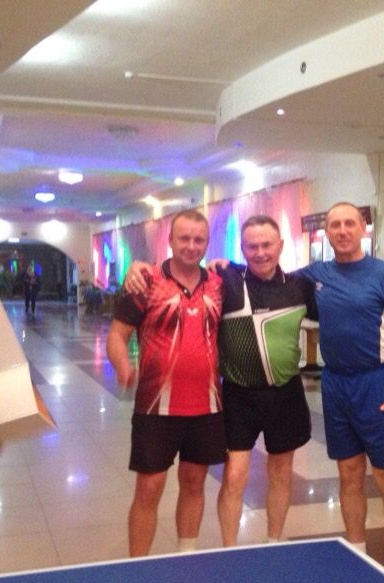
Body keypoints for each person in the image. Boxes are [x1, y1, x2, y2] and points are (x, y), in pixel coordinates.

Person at [123, 215, 317, 545]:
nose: (260, 252)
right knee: (234, 476)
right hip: (239, 395)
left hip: (286, 394)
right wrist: (138, 268)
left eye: (267, 245)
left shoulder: (301, 287)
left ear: (281, 245)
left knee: (282, 472)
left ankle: (274, 544)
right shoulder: (225, 279)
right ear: (241, 248)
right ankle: (230, 550)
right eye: (252, 246)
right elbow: (183, 270)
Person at [293, 203, 384, 583]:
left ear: (362, 229)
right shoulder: (316, 275)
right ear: (327, 232)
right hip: (336, 384)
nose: (342, 230)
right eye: (335, 224)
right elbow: (268, 277)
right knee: (348, 475)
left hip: (378, 385)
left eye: (349, 223)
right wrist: (223, 269)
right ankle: (358, 558)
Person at [106, 209, 225, 556]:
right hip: (155, 409)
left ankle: (187, 555)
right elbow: (117, 335)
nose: (191, 246)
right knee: (149, 488)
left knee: (194, 483)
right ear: (170, 240)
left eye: (199, 240)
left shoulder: (219, 284)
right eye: (184, 238)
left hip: (207, 406)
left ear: (207, 243)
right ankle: (138, 564)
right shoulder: (145, 282)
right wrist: (122, 365)